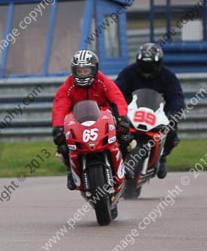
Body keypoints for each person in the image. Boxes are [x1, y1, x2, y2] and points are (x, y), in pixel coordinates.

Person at [51, 50, 132, 191]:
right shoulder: (68, 85)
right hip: (77, 122)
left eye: (86, 70)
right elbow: (60, 105)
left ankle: (125, 164)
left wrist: (123, 118)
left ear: (94, 69)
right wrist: (58, 127)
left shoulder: (103, 81)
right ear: (73, 71)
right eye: (79, 71)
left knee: (126, 137)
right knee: (62, 146)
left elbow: (117, 97)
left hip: (103, 118)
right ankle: (71, 171)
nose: (83, 74)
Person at [115, 43, 184, 179]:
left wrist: (175, 112)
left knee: (172, 132)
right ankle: (118, 158)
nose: (146, 71)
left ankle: (162, 156)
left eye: (150, 66)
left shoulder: (168, 76)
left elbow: (176, 96)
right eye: (143, 65)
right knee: (117, 131)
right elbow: (117, 92)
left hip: (159, 115)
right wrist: (117, 110)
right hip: (131, 113)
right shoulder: (128, 73)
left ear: (158, 64)